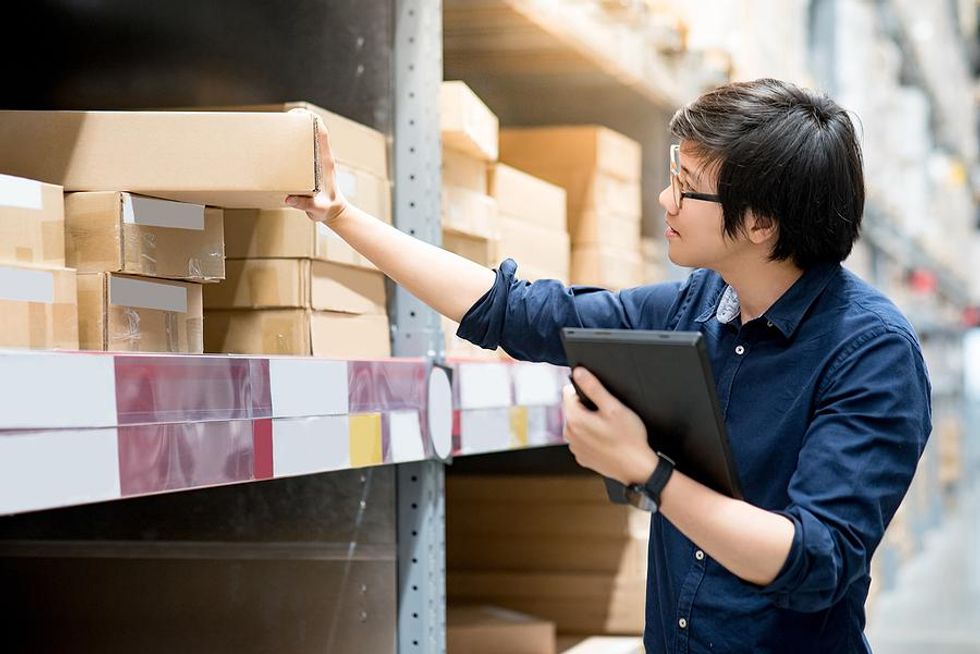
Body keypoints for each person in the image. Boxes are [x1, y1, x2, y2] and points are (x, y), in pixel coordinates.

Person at [286, 78, 931, 653]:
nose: (664, 199)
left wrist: (646, 473)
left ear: (760, 222)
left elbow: (814, 559)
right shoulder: (696, 306)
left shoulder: (871, 353)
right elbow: (518, 312)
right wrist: (342, 215)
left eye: (685, 186)